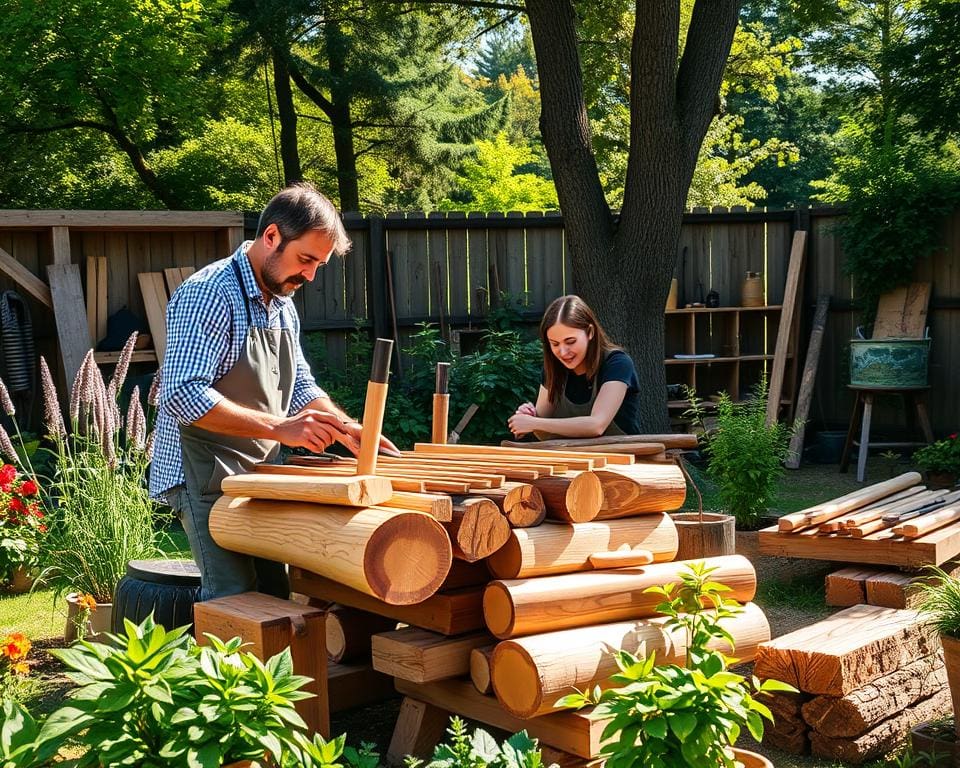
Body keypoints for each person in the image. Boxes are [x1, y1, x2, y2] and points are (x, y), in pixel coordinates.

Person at [150, 182, 398, 601]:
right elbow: (181, 394)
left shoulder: (280, 301)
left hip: (258, 473)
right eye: (306, 259)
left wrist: (343, 426)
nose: (310, 275)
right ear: (271, 237)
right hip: (204, 475)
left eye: (318, 264)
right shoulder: (208, 293)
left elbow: (299, 383)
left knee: (276, 594)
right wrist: (282, 428)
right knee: (234, 598)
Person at [507, 294, 641, 440]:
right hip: (569, 459)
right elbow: (542, 433)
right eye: (555, 344)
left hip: (622, 458)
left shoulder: (617, 363)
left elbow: (596, 425)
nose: (563, 352)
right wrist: (529, 417)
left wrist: (535, 422)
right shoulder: (553, 368)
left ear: (590, 332)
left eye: (570, 341)